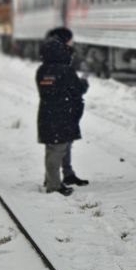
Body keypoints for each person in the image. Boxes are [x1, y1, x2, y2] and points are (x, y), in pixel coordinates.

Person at [36, 29, 89, 195]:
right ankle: (54, 185)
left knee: (52, 148)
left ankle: (52, 179)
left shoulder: (42, 70)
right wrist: (84, 80)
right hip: (63, 115)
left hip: (47, 114)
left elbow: (51, 89)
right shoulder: (65, 70)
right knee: (58, 149)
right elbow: (78, 89)